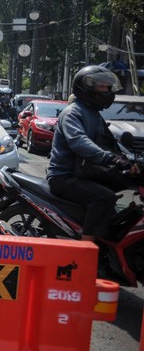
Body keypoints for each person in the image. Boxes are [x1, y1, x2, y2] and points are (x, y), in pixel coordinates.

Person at [47, 65, 138, 243]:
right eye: (101, 86)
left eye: (108, 87)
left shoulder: (94, 114)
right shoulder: (72, 113)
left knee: (123, 183)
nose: (106, 91)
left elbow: (109, 144)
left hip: (85, 173)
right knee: (104, 197)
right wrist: (110, 159)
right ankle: (86, 248)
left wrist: (129, 161)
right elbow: (79, 142)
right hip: (64, 177)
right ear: (86, 88)